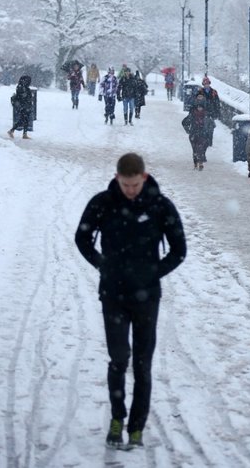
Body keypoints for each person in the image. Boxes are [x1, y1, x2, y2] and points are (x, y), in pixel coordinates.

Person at [74, 152, 186, 449]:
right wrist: (101, 264)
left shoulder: (160, 206)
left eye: (135, 185)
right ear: (117, 178)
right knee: (119, 359)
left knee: (142, 364)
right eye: (126, 185)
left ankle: (136, 427)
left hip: (147, 297)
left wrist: (153, 273)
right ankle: (116, 418)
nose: (131, 190)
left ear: (144, 178)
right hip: (113, 295)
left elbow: (179, 250)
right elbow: (82, 238)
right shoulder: (103, 202)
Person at [181, 99, 215, 170]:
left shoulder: (207, 115)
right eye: (198, 107)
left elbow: (212, 125)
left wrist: (208, 131)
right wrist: (188, 130)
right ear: (196, 107)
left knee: (201, 149)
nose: (200, 108)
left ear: (203, 108)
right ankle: (195, 163)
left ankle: (201, 163)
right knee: (194, 150)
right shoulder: (192, 114)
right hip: (193, 134)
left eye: (201, 107)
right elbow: (184, 122)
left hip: (203, 134)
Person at [7, 75, 33, 139]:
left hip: (26, 106)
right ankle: (12, 131)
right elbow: (22, 96)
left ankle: (24, 134)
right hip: (23, 106)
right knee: (22, 120)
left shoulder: (24, 87)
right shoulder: (21, 87)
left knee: (25, 120)